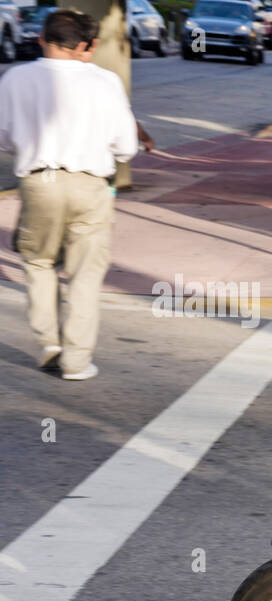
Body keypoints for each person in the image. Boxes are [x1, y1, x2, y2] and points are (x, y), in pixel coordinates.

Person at [0, 8, 138, 381]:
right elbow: (126, 147)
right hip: (91, 184)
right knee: (84, 273)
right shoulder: (105, 81)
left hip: (39, 182)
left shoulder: (16, 78)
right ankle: (76, 360)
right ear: (85, 45)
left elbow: (4, 137)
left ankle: (50, 343)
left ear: (42, 38)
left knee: (38, 260)